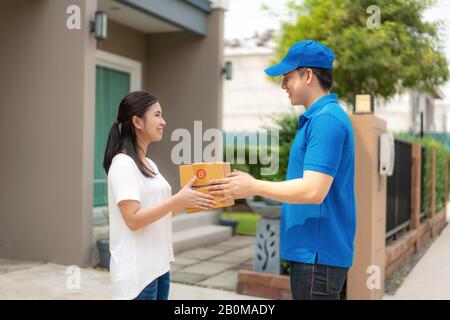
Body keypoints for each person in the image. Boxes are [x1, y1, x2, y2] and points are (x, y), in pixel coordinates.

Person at [208, 40, 356, 300]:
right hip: (314, 255)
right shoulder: (318, 118)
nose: (283, 85)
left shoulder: (325, 121)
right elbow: (305, 183)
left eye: (287, 77)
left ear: (308, 75)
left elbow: (313, 190)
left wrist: (253, 186)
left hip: (317, 256)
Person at [103, 91, 215, 300]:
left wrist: (186, 197)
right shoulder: (123, 164)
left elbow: (163, 212)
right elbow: (133, 220)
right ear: (137, 121)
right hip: (137, 275)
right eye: (157, 115)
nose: (163, 122)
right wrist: (177, 199)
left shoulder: (149, 164)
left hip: (159, 267)